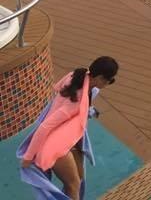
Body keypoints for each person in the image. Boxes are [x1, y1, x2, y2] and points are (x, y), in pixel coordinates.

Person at [19, 57, 119, 200]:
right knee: (74, 185)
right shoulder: (75, 102)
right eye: (110, 80)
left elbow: (57, 88)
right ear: (100, 78)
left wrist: (87, 110)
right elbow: (45, 127)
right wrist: (28, 157)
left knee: (79, 180)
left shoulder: (76, 76)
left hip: (68, 141)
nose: (109, 83)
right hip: (56, 145)